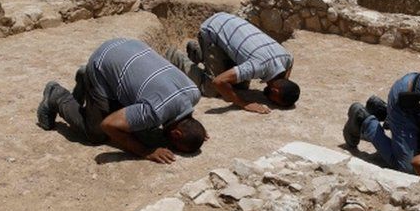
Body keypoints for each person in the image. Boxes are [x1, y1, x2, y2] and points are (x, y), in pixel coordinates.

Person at [37, 38, 207, 164]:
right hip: (102, 62)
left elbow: (189, 124)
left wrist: (195, 134)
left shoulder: (193, 94)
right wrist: (146, 152)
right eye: (175, 144)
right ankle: (57, 96)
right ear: (176, 134)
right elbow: (108, 125)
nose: (171, 146)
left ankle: (87, 80)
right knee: (95, 133)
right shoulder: (155, 111)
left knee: (138, 125)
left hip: (128, 46)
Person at [166, 12, 300, 114]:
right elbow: (218, 82)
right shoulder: (258, 66)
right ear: (275, 90)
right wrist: (243, 104)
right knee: (211, 90)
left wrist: (285, 80)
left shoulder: (286, 58)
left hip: (228, 23)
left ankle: (199, 52)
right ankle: (175, 56)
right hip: (212, 30)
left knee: (239, 87)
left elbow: (291, 61)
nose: (270, 101)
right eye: (273, 100)